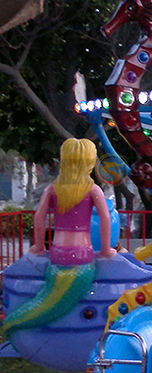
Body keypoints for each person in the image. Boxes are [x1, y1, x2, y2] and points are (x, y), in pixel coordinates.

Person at [5, 139, 116, 334]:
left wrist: (40, 246)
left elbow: (39, 217)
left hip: (57, 253)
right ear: (88, 162)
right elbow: (106, 218)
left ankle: (20, 322)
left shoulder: (53, 188)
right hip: (82, 254)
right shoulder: (92, 189)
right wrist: (106, 249)